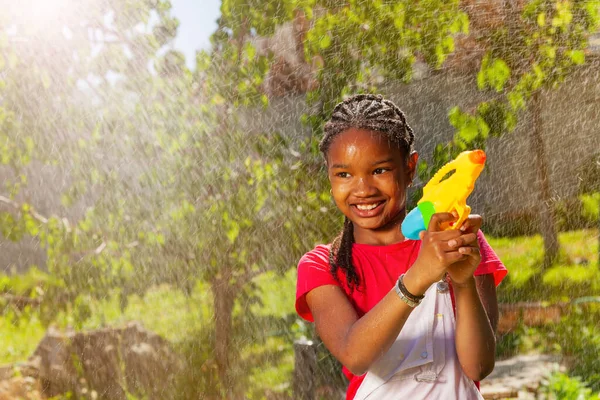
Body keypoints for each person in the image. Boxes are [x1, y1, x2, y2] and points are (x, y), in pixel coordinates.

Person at [295, 94, 507, 399]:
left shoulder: (454, 239)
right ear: (330, 179)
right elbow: (356, 356)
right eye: (344, 174)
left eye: (379, 170)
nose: (363, 189)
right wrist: (418, 277)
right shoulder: (322, 266)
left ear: (410, 168)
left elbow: (478, 366)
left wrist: (462, 283)